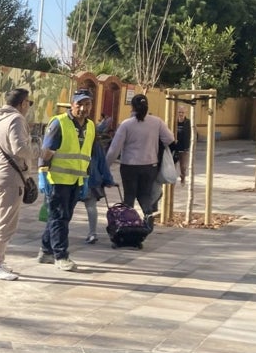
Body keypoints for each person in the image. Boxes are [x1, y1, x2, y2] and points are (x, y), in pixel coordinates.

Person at [37, 89, 96, 271]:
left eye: (87, 104)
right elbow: (47, 151)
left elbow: (87, 153)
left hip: (76, 180)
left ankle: (46, 251)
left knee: (63, 217)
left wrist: (86, 177)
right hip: (57, 179)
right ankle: (61, 255)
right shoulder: (59, 123)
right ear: (72, 104)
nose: (83, 108)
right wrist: (42, 173)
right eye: (80, 104)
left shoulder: (91, 126)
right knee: (59, 217)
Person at [0, 87, 35, 280]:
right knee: (6, 223)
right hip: (10, 178)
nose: (28, 107)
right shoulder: (16, 119)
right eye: (28, 103)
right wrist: (38, 152)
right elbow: (19, 148)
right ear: (22, 103)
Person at [105, 93, 175, 227]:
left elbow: (114, 149)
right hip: (150, 166)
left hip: (129, 166)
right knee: (145, 196)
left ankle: (128, 225)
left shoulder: (126, 125)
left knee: (129, 197)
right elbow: (170, 139)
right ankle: (148, 221)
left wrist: (106, 167)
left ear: (132, 107)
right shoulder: (157, 122)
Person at [81, 137, 115, 244]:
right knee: (91, 206)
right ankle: (92, 233)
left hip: (73, 178)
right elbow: (102, 163)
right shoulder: (95, 144)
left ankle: (62, 232)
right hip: (91, 178)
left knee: (68, 206)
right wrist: (108, 180)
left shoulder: (74, 139)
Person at [175, 105, 192, 184]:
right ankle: (172, 180)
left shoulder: (188, 122)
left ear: (186, 113)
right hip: (175, 147)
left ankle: (183, 177)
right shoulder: (174, 122)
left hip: (184, 148)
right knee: (173, 165)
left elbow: (193, 134)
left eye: (182, 112)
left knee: (183, 166)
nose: (181, 114)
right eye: (179, 112)